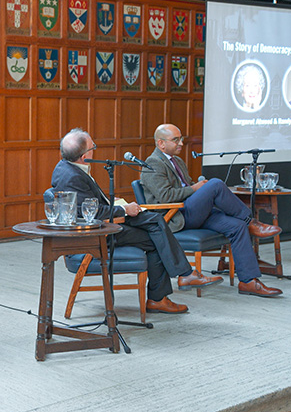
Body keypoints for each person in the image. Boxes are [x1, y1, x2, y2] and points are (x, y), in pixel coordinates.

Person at [51, 128, 223, 315]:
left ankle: (176, 283)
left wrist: (116, 204)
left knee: (156, 224)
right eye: (94, 147)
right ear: (85, 156)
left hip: (103, 223)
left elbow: (89, 204)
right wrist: (125, 209)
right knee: (157, 236)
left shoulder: (69, 167)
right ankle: (168, 290)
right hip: (95, 235)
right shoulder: (72, 176)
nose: (95, 150)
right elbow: (93, 213)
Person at [140, 124, 283, 297]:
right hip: (177, 216)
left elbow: (187, 185)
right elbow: (165, 196)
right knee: (215, 184)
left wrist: (199, 187)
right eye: (175, 140)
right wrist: (195, 188)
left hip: (191, 210)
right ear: (161, 143)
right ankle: (251, 222)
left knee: (236, 226)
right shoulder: (152, 163)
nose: (181, 143)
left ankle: (248, 282)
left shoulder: (177, 161)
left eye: (181, 139)